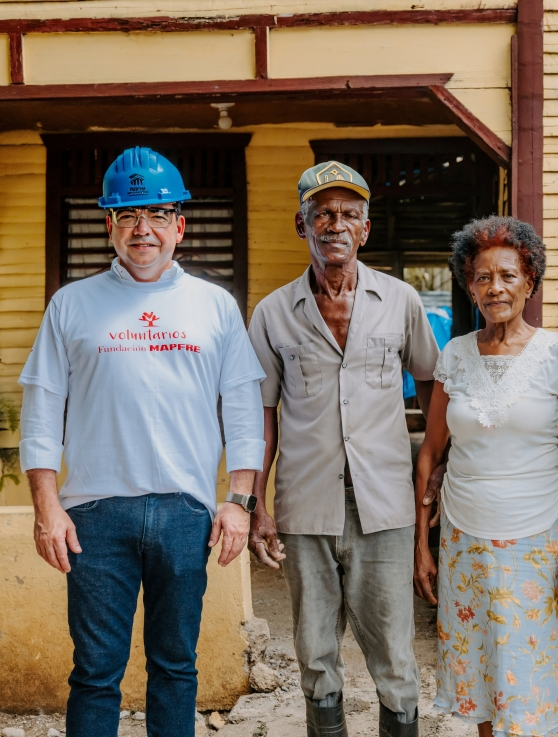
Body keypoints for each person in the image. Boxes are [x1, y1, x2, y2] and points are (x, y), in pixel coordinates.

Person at [19, 147, 266, 737]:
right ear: (109, 225)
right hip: (94, 516)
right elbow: (42, 410)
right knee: (95, 673)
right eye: (127, 215)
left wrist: (239, 501)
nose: (142, 229)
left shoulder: (214, 306)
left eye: (156, 214)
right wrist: (47, 507)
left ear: (180, 225)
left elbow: (243, 409)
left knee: (176, 667)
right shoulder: (71, 305)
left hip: (185, 514)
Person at [247, 161, 440, 737]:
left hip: (385, 505)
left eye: (349, 214)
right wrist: (255, 503)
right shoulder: (273, 312)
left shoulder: (401, 300)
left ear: (365, 229)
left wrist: (433, 467)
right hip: (307, 505)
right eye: (323, 213)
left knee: (395, 654)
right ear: (301, 225)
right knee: (315, 652)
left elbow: (431, 384)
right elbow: (262, 415)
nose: (336, 224)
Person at [414, 216, 558, 737]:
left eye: (508, 275)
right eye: (482, 277)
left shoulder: (557, 354)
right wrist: (421, 545)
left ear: (529, 281)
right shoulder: (455, 355)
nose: (495, 287)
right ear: (469, 286)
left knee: (528, 680)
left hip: (538, 539)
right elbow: (430, 453)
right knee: (481, 677)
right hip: (464, 540)